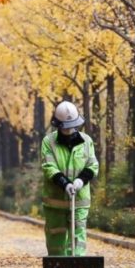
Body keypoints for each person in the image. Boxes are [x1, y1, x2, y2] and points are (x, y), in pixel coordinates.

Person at [41, 101, 99, 256]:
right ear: (58, 125)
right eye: (65, 126)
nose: (69, 129)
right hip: (55, 202)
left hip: (79, 201)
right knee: (56, 238)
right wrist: (65, 183)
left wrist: (80, 181)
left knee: (78, 236)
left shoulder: (86, 141)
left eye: (72, 125)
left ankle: (78, 267)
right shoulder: (49, 142)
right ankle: (58, 267)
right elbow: (49, 167)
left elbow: (93, 165)